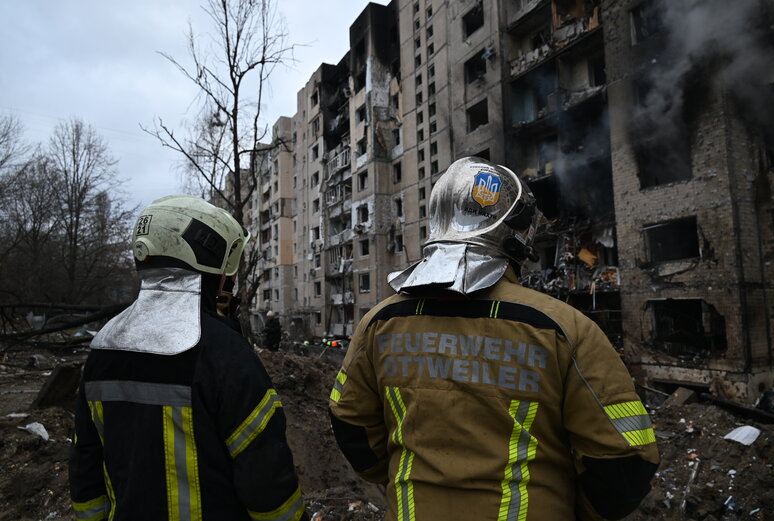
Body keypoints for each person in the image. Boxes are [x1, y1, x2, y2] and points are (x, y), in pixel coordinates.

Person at [328, 158, 659, 521]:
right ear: (520, 234)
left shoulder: (379, 322)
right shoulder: (563, 329)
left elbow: (351, 424)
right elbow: (624, 460)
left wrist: (405, 477)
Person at [70, 195, 308, 521]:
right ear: (212, 263)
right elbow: (266, 480)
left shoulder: (104, 348)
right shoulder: (226, 354)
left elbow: (86, 466)